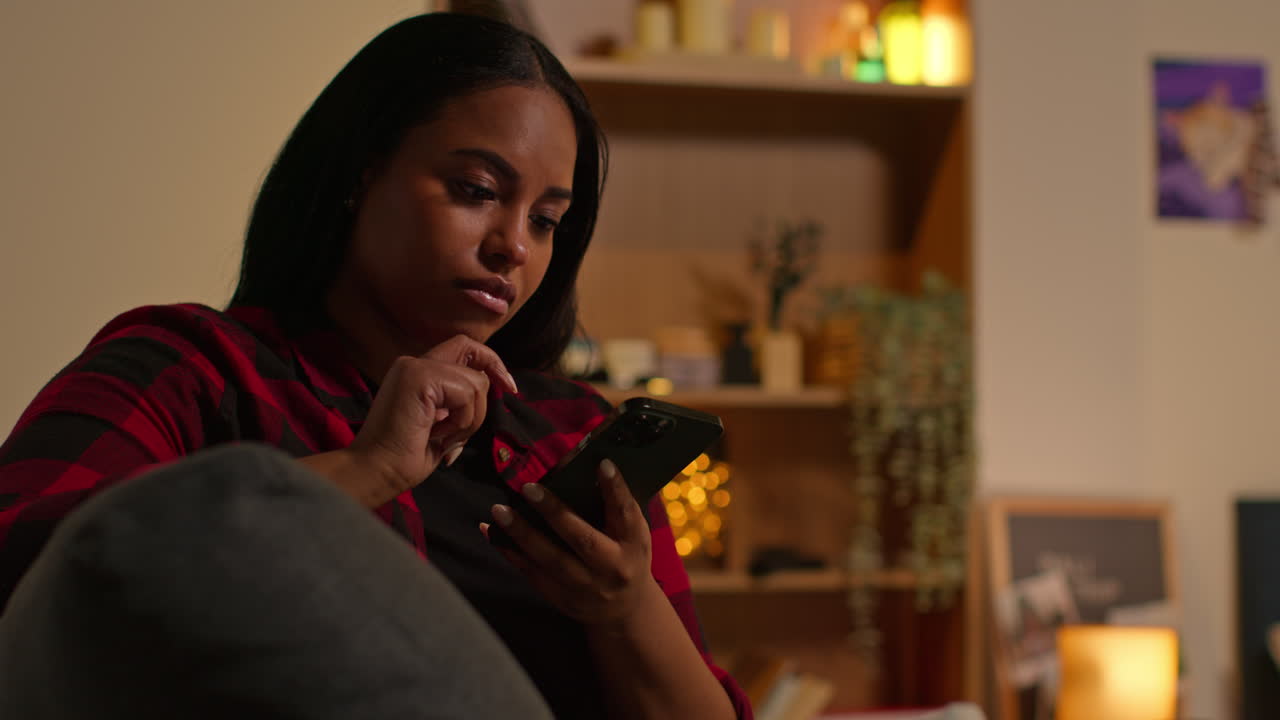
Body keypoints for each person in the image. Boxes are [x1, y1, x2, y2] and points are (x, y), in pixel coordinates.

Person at [0, 13, 749, 719]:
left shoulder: (572, 432)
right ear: (362, 173)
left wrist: (626, 608)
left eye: (546, 220)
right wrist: (367, 470)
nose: (515, 246)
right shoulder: (192, 371)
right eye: (477, 191)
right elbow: (37, 566)